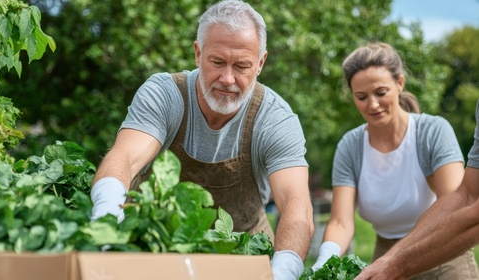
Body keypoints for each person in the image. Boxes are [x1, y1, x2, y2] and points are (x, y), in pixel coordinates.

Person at [89, 0, 314, 279]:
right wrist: (107, 216)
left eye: (242, 66)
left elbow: (296, 204)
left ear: (260, 63)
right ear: (198, 54)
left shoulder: (275, 118)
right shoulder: (165, 94)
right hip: (156, 252)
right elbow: (126, 156)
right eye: (217, 62)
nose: (228, 79)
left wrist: (285, 269)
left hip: (242, 258)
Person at [311, 42, 479, 279]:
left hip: (444, 254)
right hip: (386, 254)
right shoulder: (350, 147)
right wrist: (324, 262)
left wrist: (404, 256)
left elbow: (455, 204)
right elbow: (340, 222)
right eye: (361, 97)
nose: (373, 104)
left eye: (381, 93)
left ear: (399, 83)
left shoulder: (432, 132)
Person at [355, 99, 479, 280]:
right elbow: (467, 195)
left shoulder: (432, 130)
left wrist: (397, 265)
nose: (373, 104)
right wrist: (390, 258)